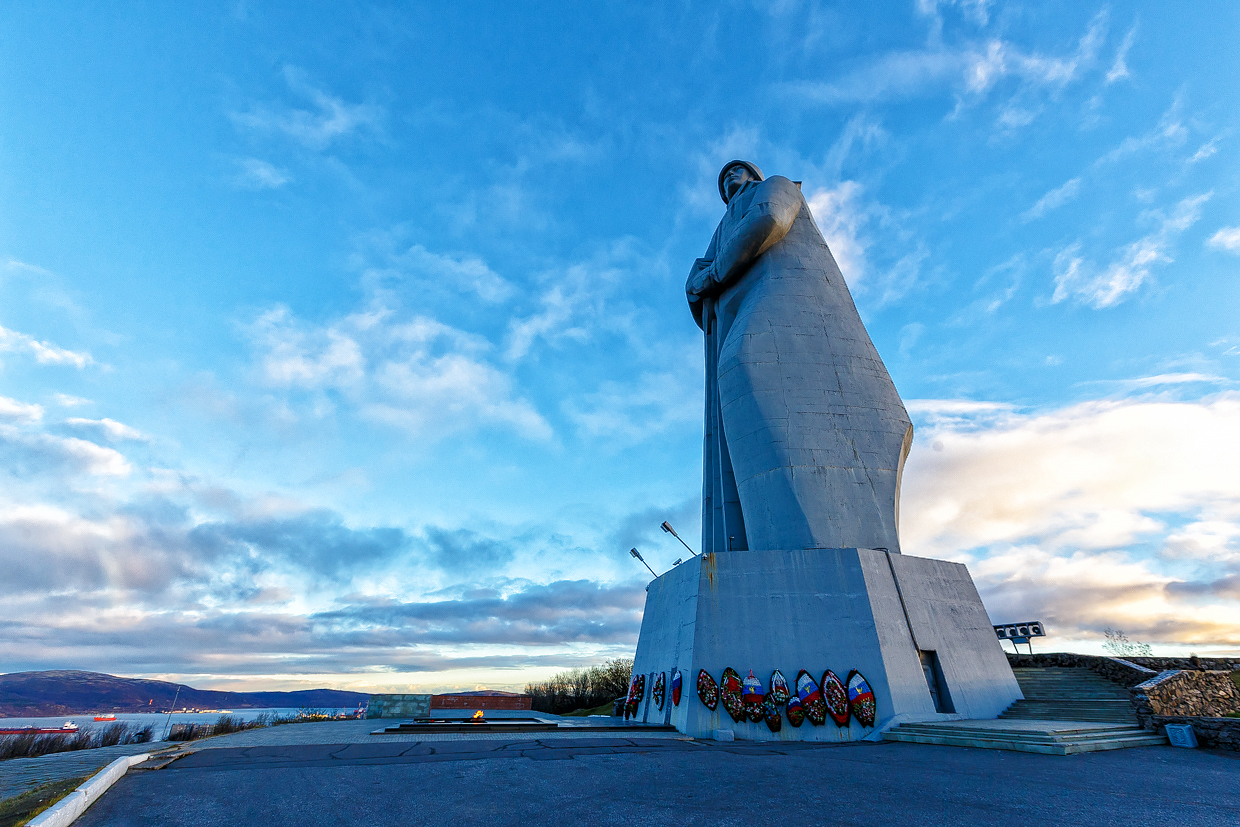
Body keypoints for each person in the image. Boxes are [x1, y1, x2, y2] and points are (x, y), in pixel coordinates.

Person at [687, 160, 913, 555]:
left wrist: (715, 272)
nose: (727, 179)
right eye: (722, 178)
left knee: (746, 364)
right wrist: (705, 277)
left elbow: (770, 217)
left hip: (783, 300)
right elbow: (695, 281)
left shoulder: (774, 185)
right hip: (740, 306)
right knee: (736, 383)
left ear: (753, 175)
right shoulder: (719, 231)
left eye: (734, 171)